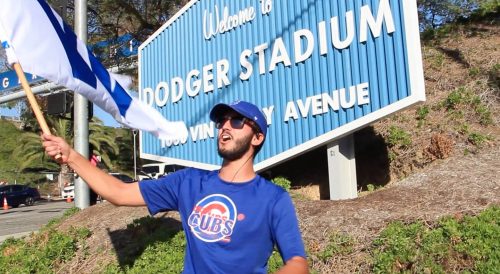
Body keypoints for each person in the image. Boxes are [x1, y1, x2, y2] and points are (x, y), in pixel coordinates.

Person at [42, 100, 309, 274]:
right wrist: (72, 156)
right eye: (222, 121)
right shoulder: (189, 182)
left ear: (258, 137)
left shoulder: (274, 199)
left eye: (237, 121)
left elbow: (297, 262)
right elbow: (119, 193)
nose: (225, 126)